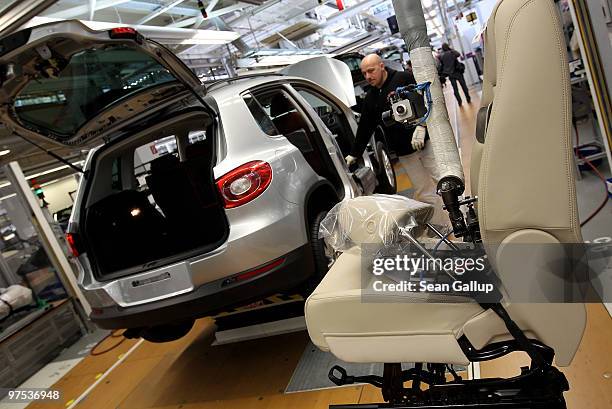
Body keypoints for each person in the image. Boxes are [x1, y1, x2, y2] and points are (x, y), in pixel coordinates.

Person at [345, 54, 448, 228]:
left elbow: (428, 99)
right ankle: (443, 226)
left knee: (443, 180)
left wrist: (422, 126)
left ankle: (464, 216)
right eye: (364, 74)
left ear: (381, 66)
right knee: (424, 192)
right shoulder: (371, 97)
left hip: (425, 143)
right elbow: (365, 127)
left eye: (371, 71)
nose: (368, 77)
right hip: (404, 152)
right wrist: (354, 153)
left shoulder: (403, 78)